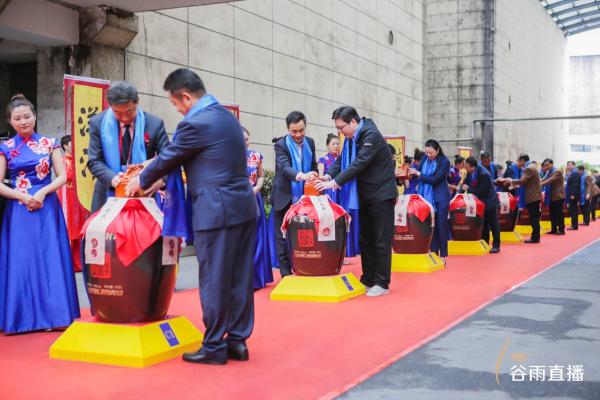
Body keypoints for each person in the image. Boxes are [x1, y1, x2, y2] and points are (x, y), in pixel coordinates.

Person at [126, 69, 257, 365]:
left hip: (216, 210)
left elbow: (170, 156)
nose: (178, 110)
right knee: (238, 278)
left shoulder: (195, 123)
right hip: (243, 208)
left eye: (176, 104)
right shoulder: (226, 117)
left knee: (214, 278)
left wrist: (141, 180)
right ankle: (237, 342)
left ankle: (213, 347)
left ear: (185, 96)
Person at [0, 94, 80, 334]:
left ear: (34, 116)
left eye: (27, 116)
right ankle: (21, 319)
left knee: (50, 257)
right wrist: (23, 196)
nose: (23, 121)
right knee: (21, 260)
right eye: (18, 118)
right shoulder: (5, 147)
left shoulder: (50, 142)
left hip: (46, 206)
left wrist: (43, 193)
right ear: (10, 121)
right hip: (18, 207)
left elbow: (63, 176)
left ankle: (56, 316)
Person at [316, 106, 397, 297]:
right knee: (365, 238)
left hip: (381, 195)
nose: (340, 131)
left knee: (381, 240)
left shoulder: (371, 135)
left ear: (353, 122)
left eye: (341, 127)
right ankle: (368, 279)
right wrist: (328, 176)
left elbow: (359, 163)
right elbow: (342, 160)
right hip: (365, 195)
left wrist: (335, 183)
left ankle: (382, 282)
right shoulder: (352, 138)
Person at [87, 81, 170, 212]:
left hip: (143, 191)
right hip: (108, 191)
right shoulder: (98, 123)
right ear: (110, 106)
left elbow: (169, 158)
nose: (124, 118)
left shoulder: (154, 124)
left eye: (129, 111)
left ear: (137, 103)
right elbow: (94, 161)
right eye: (117, 113)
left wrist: (160, 180)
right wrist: (114, 179)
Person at [271, 111, 318, 277]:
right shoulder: (280, 145)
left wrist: (314, 176)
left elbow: (313, 166)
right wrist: (301, 175)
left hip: (306, 198)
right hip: (284, 196)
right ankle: (286, 274)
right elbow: (284, 167)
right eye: (294, 131)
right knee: (282, 237)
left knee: (304, 235)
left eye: (301, 130)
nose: (298, 135)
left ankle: (304, 268)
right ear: (288, 129)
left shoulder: (310, 143)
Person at [408, 140, 451, 262]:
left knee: (441, 226)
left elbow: (436, 179)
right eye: (426, 152)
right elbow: (416, 171)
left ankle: (442, 255)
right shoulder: (425, 160)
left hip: (440, 198)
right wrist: (407, 173)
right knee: (431, 226)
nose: (428, 155)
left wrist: (419, 174)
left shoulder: (444, 162)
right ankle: (433, 252)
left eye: (431, 152)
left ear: (437, 150)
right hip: (427, 198)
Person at [243, 127, 273, 290]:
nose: (244, 142)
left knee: (257, 239)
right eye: (241, 138)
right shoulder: (229, 156)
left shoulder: (256, 156)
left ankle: (256, 279)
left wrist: (257, 188)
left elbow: (261, 175)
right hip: (238, 200)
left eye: (247, 138)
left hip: (254, 198)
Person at [58, 135, 90, 272]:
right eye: (72, 143)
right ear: (65, 146)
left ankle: (78, 262)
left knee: (79, 229)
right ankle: (67, 262)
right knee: (69, 228)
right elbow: (66, 177)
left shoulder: (78, 161)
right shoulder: (63, 161)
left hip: (78, 197)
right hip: (67, 196)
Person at [498, 154, 542, 243]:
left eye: (519, 160)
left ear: (523, 160)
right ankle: (535, 236)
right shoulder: (532, 166)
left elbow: (523, 180)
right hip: (535, 196)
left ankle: (535, 237)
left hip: (532, 196)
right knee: (534, 218)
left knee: (534, 218)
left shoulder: (529, 168)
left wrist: (511, 181)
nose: (519, 163)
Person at [462, 156, 500, 253]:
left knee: (493, 224)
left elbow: (481, 191)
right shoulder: (470, 172)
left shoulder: (484, 174)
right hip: (480, 202)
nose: (465, 168)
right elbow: (465, 183)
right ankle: (485, 243)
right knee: (484, 224)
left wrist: (468, 189)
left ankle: (496, 245)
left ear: (472, 167)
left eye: (466, 166)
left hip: (489, 201)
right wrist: (460, 191)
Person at [539, 158, 565, 235]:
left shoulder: (557, 171)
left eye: (547, 165)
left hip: (558, 196)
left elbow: (550, 180)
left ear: (551, 164)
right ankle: (553, 229)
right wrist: (538, 182)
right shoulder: (549, 172)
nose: (546, 167)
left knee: (559, 213)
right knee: (552, 213)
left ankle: (561, 229)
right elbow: (544, 179)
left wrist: (540, 184)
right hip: (551, 196)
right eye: (545, 165)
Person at [317, 133, 340, 202]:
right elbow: (320, 177)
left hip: (340, 188)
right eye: (333, 144)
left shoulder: (342, 159)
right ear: (328, 145)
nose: (336, 146)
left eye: (337, 144)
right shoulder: (322, 160)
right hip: (328, 189)